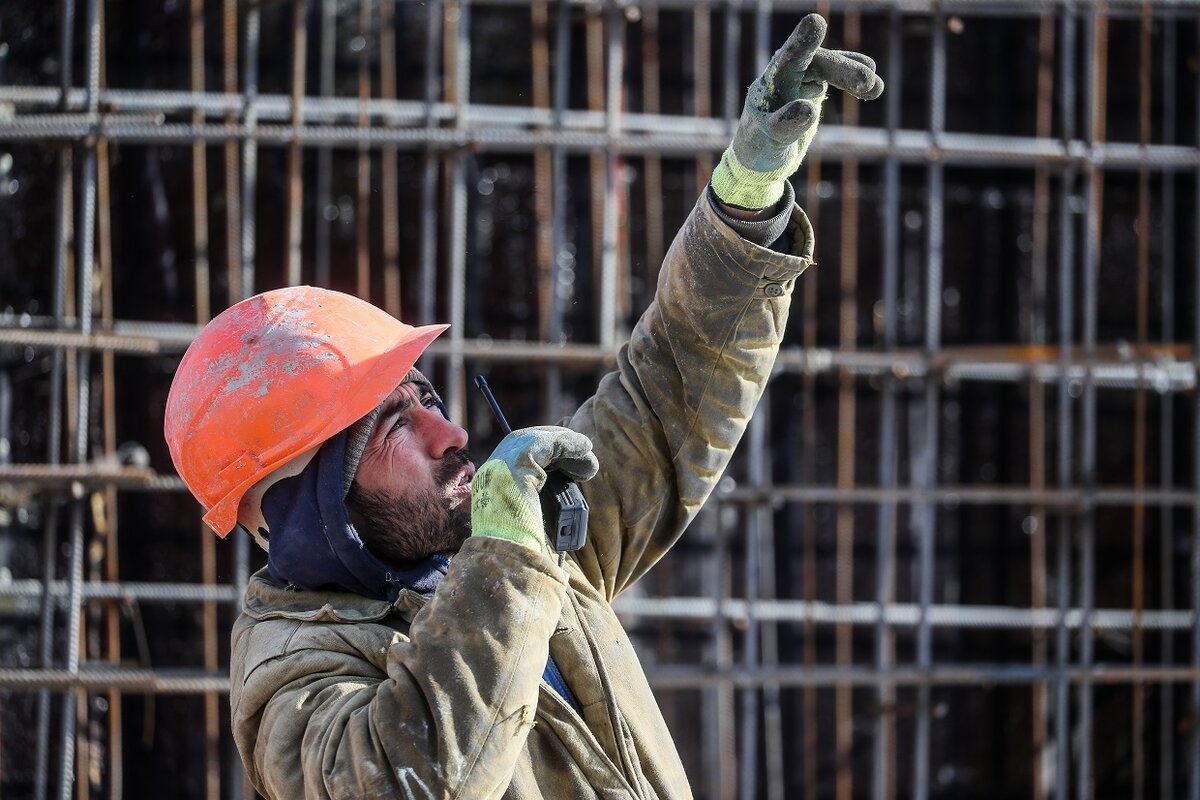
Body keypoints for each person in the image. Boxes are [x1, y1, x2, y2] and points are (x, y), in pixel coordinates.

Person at [163, 14, 882, 799]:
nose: (454, 434)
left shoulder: (521, 548)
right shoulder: (291, 678)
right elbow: (419, 778)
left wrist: (747, 198)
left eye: (428, 400)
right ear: (309, 502)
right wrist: (505, 560)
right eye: (395, 426)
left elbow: (665, 393)